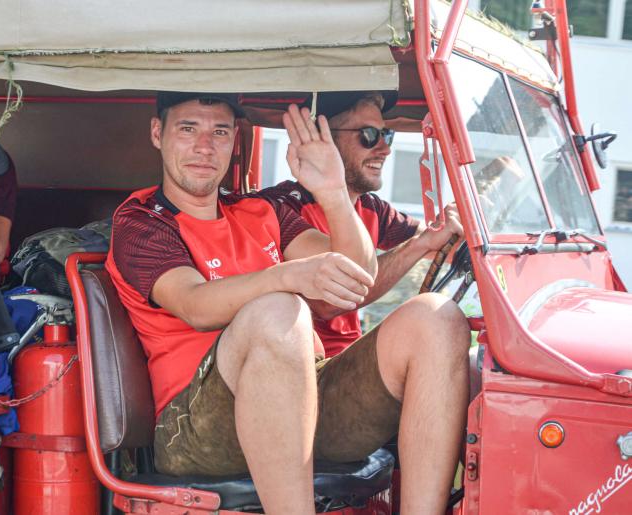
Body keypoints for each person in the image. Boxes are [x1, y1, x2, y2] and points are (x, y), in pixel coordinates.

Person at [107, 91, 470, 515]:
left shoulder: (260, 211)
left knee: (435, 317)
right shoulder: (142, 221)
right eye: (188, 129)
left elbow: (357, 273)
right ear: (158, 133)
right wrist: (285, 277)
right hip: (194, 431)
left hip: (302, 403)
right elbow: (193, 304)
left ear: (235, 141)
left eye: (219, 132)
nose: (205, 146)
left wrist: (333, 193)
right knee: (279, 309)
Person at [259, 91, 464, 357]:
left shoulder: (371, 207)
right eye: (369, 135)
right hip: (304, 363)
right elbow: (331, 301)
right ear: (325, 140)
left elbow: (440, 244)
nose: (385, 149)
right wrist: (419, 246)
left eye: (386, 135)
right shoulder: (281, 207)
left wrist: (457, 230)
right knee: (433, 318)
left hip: (347, 357)